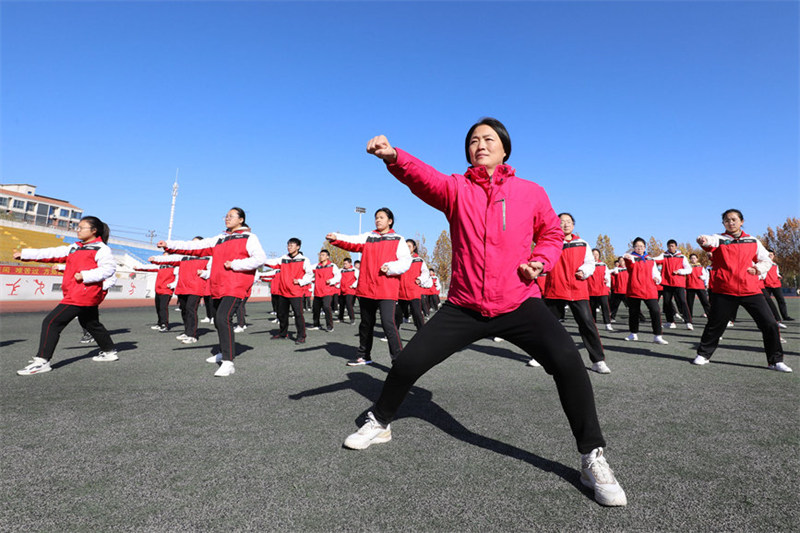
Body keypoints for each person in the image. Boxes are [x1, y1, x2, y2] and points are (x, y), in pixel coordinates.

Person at [343, 119, 627, 507]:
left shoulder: (530, 191)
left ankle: (591, 456)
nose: (480, 145)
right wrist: (394, 157)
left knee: (567, 361)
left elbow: (551, 234)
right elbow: (424, 178)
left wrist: (540, 262)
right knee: (408, 362)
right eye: (473, 141)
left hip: (518, 301)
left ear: (505, 148)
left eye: (488, 139)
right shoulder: (456, 189)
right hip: (464, 304)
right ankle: (381, 421)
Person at [158, 207, 267, 377]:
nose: (227, 218)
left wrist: (235, 264)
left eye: (231, 216)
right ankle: (224, 352)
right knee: (218, 320)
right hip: (217, 286)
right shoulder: (220, 238)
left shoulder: (249, 237)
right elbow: (196, 247)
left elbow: (260, 259)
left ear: (241, 219)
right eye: (226, 216)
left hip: (235, 285)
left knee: (223, 318)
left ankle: (228, 362)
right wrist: (170, 245)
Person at [15, 216, 119, 375]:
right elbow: (51, 253)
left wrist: (85, 275)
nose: (77, 230)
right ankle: (109, 351)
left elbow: (109, 269)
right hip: (77, 292)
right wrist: (24, 254)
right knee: (91, 323)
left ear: (94, 231)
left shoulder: (101, 248)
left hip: (82, 294)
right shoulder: (75, 247)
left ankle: (42, 361)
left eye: (81, 227)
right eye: (77, 227)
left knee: (52, 322)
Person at [693, 209, 790, 372]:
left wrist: (758, 268)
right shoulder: (719, 239)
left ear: (741, 221)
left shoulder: (752, 240)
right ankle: (704, 354)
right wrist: (701, 239)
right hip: (724, 290)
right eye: (726, 220)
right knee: (715, 325)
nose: (730, 223)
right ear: (723, 223)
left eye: (733, 219)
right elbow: (708, 242)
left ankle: (775, 361)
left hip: (750, 290)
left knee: (770, 324)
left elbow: (766, 260)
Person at [326, 207, 412, 365]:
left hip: (386, 290)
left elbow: (406, 262)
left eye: (381, 217)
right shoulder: (368, 236)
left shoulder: (398, 239)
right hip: (366, 289)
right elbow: (351, 241)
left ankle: (398, 361)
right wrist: (336, 237)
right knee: (366, 324)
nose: (378, 220)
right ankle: (364, 356)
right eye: (376, 217)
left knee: (388, 323)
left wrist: (390, 267)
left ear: (390, 221)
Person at [544, 214, 611, 374]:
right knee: (546, 326)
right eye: (562, 222)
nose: (565, 225)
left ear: (573, 225)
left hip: (577, 289)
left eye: (569, 222)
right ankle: (541, 356)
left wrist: (584, 271)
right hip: (555, 289)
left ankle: (598, 361)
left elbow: (590, 263)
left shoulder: (582, 243)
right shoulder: (550, 241)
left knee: (587, 324)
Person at [149, 237, 211, 344]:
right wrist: (155, 259)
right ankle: (187, 332)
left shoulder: (208, 257)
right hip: (182, 286)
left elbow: (212, 271)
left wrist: (204, 273)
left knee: (191, 309)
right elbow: (169, 259)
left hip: (196, 287)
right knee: (184, 309)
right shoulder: (184, 256)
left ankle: (192, 335)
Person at [265, 238, 313, 344]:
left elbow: (309, 274)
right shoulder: (283, 258)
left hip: (296, 292)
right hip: (283, 292)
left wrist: (300, 281)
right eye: (288, 245)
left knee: (298, 314)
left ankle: (301, 336)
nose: (289, 247)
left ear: (298, 247)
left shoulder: (304, 259)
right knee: (282, 314)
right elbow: (272, 263)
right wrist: (259, 260)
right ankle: (283, 333)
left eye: (292, 245)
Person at [622, 238, 668, 344]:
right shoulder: (631, 258)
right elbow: (630, 265)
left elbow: (655, 272)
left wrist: (657, 279)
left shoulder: (650, 259)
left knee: (655, 311)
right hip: (635, 288)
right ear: (633, 247)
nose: (639, 248)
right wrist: (628, 258)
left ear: (645, 247)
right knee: (634, 312)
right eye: (637, 246)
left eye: (642, 246)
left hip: (649, 289)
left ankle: (657, 335)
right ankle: (633, 333)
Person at [653, 240, 693, 330]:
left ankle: (688, 322)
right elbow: (655, 259)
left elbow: (689, 269)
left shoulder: (682, 257)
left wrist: (679, 271)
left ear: (676, 246)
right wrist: (646, 258)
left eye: (672, 246)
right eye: (669, 246)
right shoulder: (664, 255)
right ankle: (670, 322)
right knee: (667, 303)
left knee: (682, 301)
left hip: (679, 283)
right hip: (667, 283)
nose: (671, 247)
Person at [394, 239, 432, 331]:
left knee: (417, 313)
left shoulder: (419, 260)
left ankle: (422, 334)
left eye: (409, 246)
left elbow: (425, 272)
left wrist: (420, 279)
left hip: (413, 291)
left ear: (414, 248)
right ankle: (392, 334)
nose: (407, 248)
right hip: (401, 292)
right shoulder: (399, 259)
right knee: (397, 314)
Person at [309, 249, 341, 332]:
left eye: (323, 255)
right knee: (315, 309)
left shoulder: (332, 266)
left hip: (327, 291)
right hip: (317, 291)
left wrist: (331, 281)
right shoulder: (316, 266)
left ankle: (330, 326)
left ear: (327, 257)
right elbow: (307, 271)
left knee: (326, 307)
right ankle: (316, 324)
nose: (321, 256)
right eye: (320, 255)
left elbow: (338, 276)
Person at [763, 250, 794, 326]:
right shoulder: (763, 264)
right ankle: (770, 317)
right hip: (766, 285)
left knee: (781, 300)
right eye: (769, 255)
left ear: (774, 256)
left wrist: (779, 276)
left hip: (776, 285)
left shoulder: (775, 265)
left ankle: (785, 316)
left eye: (771, 255)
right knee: (767, 302)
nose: (770, 256)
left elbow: (777, 273)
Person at [587, 248, 613, 331]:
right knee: (592, 308)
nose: (595, 256)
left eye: (597, 254)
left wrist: (607, 285)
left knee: (605, 306)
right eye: (593, 254)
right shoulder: (587, 265)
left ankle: (607, 323)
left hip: (602, 289)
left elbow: (607, 275)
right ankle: (593, 323)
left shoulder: (603, 264)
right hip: (591, 290)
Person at [685, 253, 710, 320]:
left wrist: (703, 279)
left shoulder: (701, 267)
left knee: (705, 302)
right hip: (690, 286)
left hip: (700, 286)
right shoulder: (687, 267)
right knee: (689, 303)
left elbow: (706, 276)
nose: (693, 259)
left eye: (694, 258)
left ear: (697, 259)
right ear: (690, 259)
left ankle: (710, 315)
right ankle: (689, 318)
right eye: (692, 258)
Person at [337, 257, 359, 324]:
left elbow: (359, 279)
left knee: (348, 304)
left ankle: (352, 319)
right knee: (341, 305)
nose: (344, 265)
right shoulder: (341, 270)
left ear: (350, 263)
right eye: (344, 264)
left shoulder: (355, 270)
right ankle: (340, 318)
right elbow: (337, 278)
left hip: (350, 290)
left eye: (346, 264)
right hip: (342, 289)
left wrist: (353, 285)